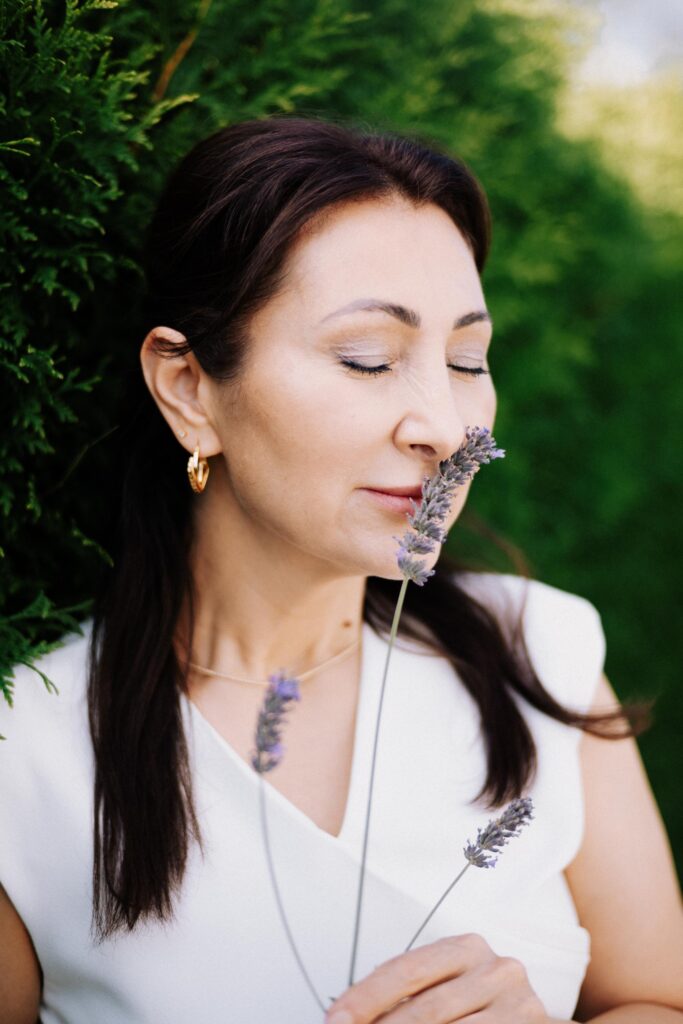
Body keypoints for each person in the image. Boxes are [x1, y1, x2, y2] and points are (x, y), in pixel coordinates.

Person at [1, 114, 681, 1024]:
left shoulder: (539, 653)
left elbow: (658, 1000)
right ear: (189, 388)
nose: (445, 428)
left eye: (466, 360)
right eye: (368, 359)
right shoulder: (29, 754)